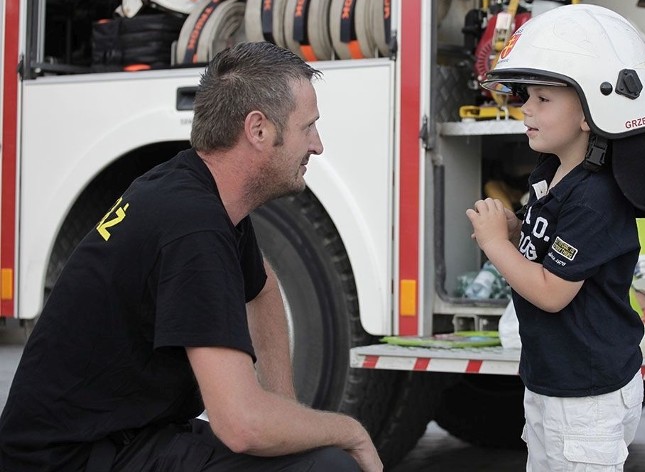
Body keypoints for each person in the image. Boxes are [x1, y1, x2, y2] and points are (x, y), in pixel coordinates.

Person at [0, 42, 382, 472]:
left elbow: (262, 287)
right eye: (307, 126)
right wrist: (351, 431)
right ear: (258, 130)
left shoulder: (193, 187)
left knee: (309, 457)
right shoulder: (192, 225)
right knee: (330, 468)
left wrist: (285, 412)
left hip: (121, 438)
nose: (317, 145)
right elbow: (241, 425)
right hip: (72, 459)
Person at [466, 4, 645, 471]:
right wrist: (515, 233)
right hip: (553, 381)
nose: (525, 108)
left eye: (543, 99)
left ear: (592, 111)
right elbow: (547, 253)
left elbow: (552, 293)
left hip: (586, 394)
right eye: (525, 96)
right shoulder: (554, 174)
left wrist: (495, 246)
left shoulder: (597, 197)